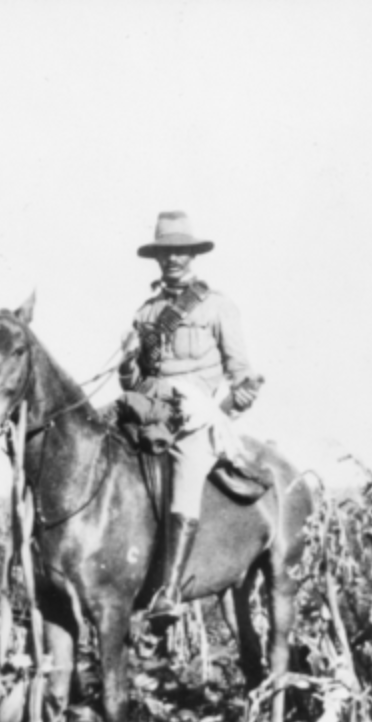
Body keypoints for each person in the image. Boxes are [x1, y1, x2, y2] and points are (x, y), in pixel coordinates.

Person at [118, 211, 261, 622]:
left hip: (194, 412)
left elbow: (241, 371)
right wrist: (127, 363)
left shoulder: (218, 306)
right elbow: (135, 377)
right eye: (165, 253)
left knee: (187, 470)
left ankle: (170, 591)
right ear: (157, 259)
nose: (173, 260)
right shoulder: (146, 314)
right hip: (151, 405)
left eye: (180, 251)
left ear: (192, 255)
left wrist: (244, 391)